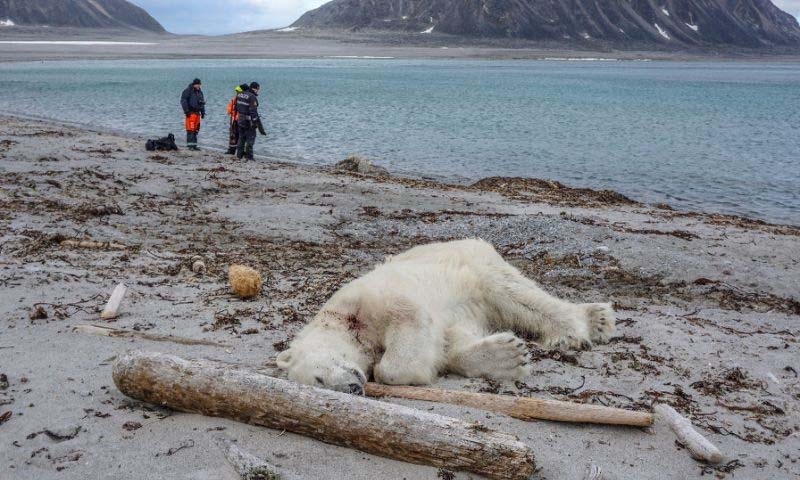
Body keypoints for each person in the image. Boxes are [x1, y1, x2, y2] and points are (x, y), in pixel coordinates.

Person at [235, 81, 266, 161]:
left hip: (240, 119)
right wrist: (255, 122)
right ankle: (249, 156)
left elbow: (236, 107)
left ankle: (239, 155)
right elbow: (253, 111)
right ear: (254, 88)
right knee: (250, 138)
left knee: (241, 138)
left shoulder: (240, 94)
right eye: (257, 89)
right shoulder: (252, 97)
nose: (257, 91)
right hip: (248, 121)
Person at [180, 78, 206, 150]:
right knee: (190, 130)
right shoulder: (188, 91)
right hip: (190, 113)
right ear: (194, 84)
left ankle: (194, 145)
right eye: (197, 84)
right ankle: (190, 146)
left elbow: (202, 103)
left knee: (196, 130)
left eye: (199, 84)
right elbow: (183, 100)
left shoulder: (200, 92)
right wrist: (186, 111)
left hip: (197, 114)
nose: (198, 86)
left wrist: (203, 112)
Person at [226, 83, 249, 155]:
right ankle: (232, 150)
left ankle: (241, 152)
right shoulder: (236, 98)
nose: (237, 93)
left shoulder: (242, 98)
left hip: (241, 120)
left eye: (238, 92)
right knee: (234, 136)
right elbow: (230, 108)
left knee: (241, 136)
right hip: (236, 120)